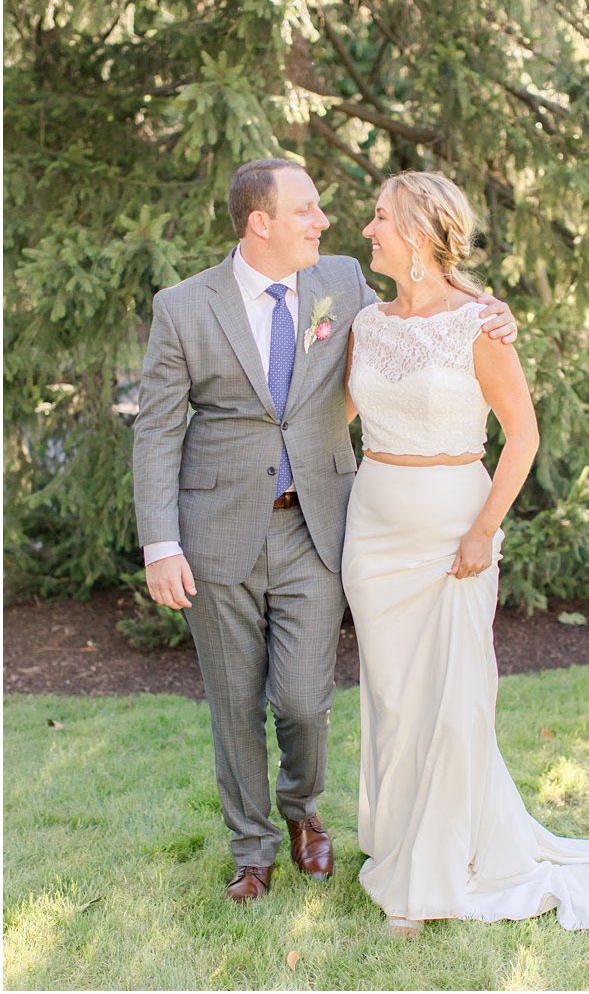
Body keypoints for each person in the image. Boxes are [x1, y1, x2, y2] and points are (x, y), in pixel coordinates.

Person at [343, 170, 589, 937]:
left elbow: (523, 435)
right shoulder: (364, 323)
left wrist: (484, 529)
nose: (368, 229)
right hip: (373, 532)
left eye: (379, 217)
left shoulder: (479, 325)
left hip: (454, 528)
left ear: (417, 231)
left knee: (455, 704)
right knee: (392, 701)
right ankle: (402, 846)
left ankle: (424, 885)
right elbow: (333, 411)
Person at [133, 158, 518, 903]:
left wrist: (492, 309)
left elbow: (425, 308)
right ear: (260, 223)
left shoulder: (340, 282)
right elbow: (155, 431)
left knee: (305, 702)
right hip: (215, 534)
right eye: (306, 210)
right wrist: (161, 542)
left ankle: (304, 811)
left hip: (319, 528)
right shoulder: (183, 307)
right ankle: (252, 848)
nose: (324, 221)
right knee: (234, 701)